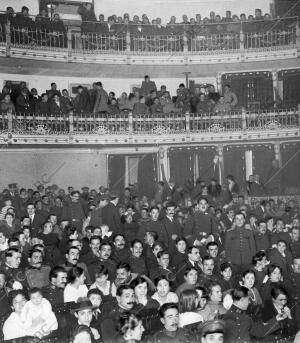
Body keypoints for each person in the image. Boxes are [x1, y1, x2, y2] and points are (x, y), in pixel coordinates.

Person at [221, 286, 286, 343]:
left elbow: (260, 331)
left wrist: (276, 319)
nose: (249, 302)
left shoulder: (245, 317)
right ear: (242, 300)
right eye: (248, 299)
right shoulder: (228, 318)